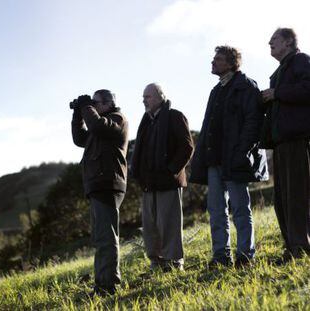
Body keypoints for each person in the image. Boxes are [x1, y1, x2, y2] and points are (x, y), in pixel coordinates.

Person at [190, 46, 268, 267]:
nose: (212, 62)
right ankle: (221, 256)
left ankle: (245, 256)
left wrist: (242, 152)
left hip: (235, 158)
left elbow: (253, 122)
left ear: (231, 62)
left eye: (218, 58)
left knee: (240, 208)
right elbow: (208, 128)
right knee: (216, 211)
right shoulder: (216, 91)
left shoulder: (246, 86)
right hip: (214, 160)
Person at [130, 83, 194, 272]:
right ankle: (156, 263)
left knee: (169, 224)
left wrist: (170, 170)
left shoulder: (175, 116)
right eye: (143, 97)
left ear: (160, 96)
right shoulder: (146, 121)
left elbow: (187, 147)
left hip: (168, 182)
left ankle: (174, 262)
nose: (144, 101)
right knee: (150, 227)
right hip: (149, 184)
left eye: (147, 97)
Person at [71, 89, 128, 295]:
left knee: (106, 237)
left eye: (95, 103)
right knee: (101, 237)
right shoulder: (99, 126)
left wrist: (86, 107)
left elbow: (96, 125)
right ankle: (102, 283)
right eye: (91, 104)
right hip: (98, 184)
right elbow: (79, 138)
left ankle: (108, 285)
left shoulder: (117, 119)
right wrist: (78, 113)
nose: (93, 107)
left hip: (107, 184)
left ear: (107, 104)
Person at [261, 28, 310, 260]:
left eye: (275, 39)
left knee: (298, 196)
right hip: (281, 143)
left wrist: (277, 93)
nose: (269, 42)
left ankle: (301, 246)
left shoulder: (301, 61)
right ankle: (292, 247)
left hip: (298, 140)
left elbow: (307, 89)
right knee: (282, 200)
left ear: (289, 41)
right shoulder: (278, 72)